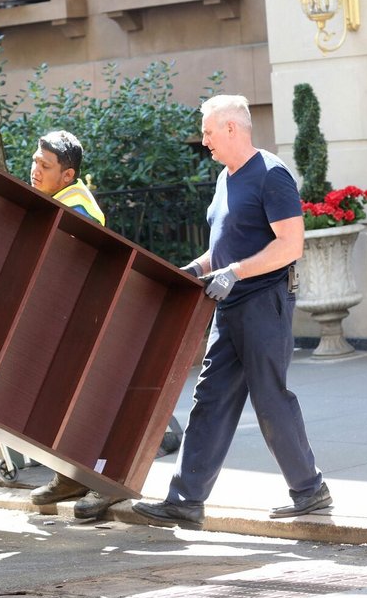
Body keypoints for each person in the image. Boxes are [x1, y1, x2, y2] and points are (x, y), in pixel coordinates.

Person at [132, 94, 331, 529]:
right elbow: (228, 241)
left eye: (207, 132)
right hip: (230, 303)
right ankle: (184, 500)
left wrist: (236, 272)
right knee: (210, 398)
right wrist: (199, 267)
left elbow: (290, 245)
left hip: (264, 302)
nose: (202, 140)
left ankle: (310, 491)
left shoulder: (271, 175)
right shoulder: (227, 178)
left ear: (231, 129)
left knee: (269, 399)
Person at [27, 130, 123, 520]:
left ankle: (106, 481)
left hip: (84, 323)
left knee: (89, 405)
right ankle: (69, 475)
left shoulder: (76, 208)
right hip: (66, 321)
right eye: (35, 160)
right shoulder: (59, 200)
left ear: (67, 175)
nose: (35, 169)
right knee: (61, 401)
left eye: (45, 166)